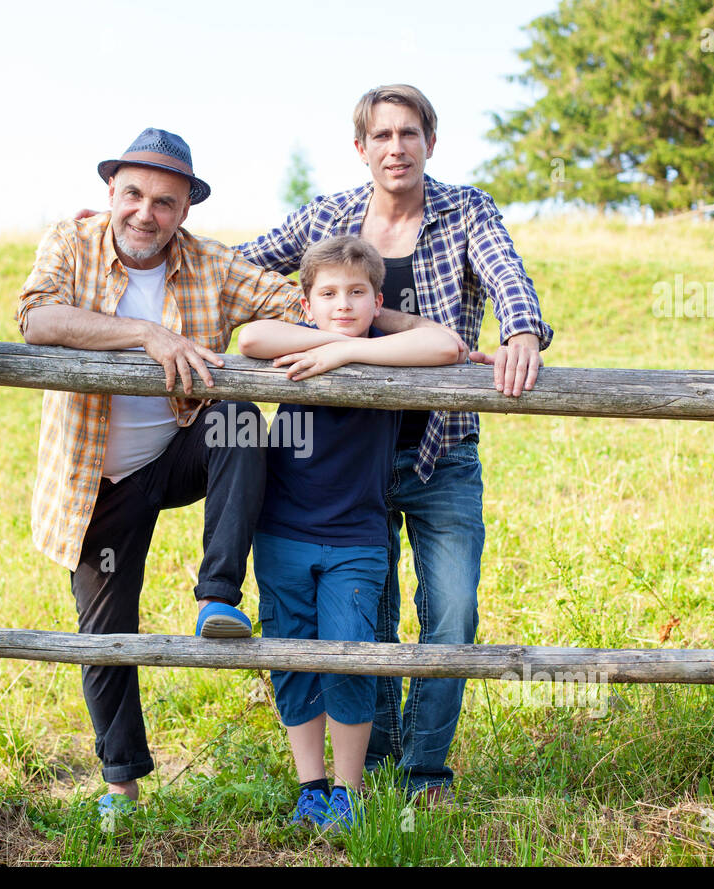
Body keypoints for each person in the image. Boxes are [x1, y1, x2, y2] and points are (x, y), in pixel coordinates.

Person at [235, 84, 555, 801]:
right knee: (364, 615)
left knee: (450, 612)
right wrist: (149, 250)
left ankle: (425, 770)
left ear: (429, 143)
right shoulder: (330, 216)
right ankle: (366, 763)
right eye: (381, 136)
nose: (396, 147)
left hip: (441, 451)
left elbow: (507, 276)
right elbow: (237, 266)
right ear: (362, 148)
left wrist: (523, 330)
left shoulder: (465, 209)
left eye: (409, 134)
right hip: (344, 467)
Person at [15, 128, 311, 816]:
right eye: (134, 195)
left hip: (178, 451)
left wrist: (394, 332)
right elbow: (37, 318)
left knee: (239, 413)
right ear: (111, 193)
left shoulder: (211, 263)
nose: (146, 213)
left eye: (165, 202)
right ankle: (121, 786)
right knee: (105, 633)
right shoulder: (70, 242)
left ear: (185, 210)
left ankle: (218, 598)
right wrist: (148, 335)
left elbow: (305, 304)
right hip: (97, 482)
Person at [237, 236, 463, 829]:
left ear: (377, 299)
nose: (343, 303)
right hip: (282, 529)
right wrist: (335, 340)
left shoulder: (389, 350)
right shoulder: (294, 338)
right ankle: (309, 786)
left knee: (350, 656)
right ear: (306, 302)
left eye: (357, 293)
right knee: (292, 655)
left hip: (357, 538)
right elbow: (250, 338)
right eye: (329, 294)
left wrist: (346, 352)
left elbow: (446, 343)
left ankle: (347, 792)